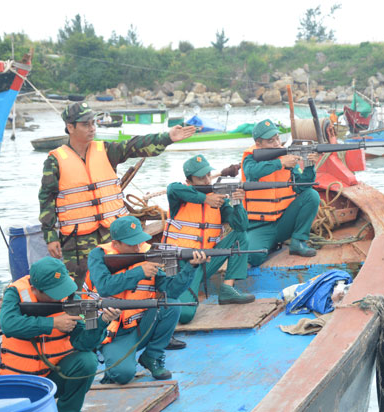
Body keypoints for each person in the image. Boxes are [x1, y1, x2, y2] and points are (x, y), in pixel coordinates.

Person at [39, 102, 196, 289]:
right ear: (70, 127)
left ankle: (124, 316)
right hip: (76, 240)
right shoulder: (55, 161)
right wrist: (50, 236)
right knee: (80, 287)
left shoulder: (105, 150)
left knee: (122, 277)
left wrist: (167, 137)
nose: (92, 128)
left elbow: (133, 146)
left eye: (93, 123)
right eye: (86, 124)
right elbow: (46, 199)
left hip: (113, 234)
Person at [85, 215, 209, 383]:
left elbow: (170, 291)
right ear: (115, 244)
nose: (137, 248)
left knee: (171, 304)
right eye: (131, 244)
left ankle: (152, 356)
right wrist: (140, 272)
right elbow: (105, 287)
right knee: (122, 375)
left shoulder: (148, 252)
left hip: (141, 324)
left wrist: (191, 266)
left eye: (139, 241)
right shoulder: (98, 255)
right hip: (112, 331)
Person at [0, 256, 121, 412]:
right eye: (53, 293)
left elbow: (83, 343)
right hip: (17, 381)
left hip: (52, 375)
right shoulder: (15, 293)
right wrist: (53, 323)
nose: (59, 297)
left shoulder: (71, 298)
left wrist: (102, 321)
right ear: (35, 289)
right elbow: (8, 325)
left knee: (87, 361)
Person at [163, 154, 255, 324]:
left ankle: (227, 288)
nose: (206, 181)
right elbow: (172, 188)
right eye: (200, 178)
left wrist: (236, 202)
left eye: (207, 175)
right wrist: (206, 199)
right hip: (180, 264)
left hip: (205, 261)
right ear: (189, 182)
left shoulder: (218, 199)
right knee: (184, 315)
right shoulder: (180, 195)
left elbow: (240, 226)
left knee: (240, 237)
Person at [241, 119, 320, 266]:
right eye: (271, 141)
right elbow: (251, 172)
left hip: (284, 221)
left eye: (277, 138)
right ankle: (269, 244)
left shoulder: (286, 157)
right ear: (259, 144)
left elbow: (302, 187)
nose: (277, 143)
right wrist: (280, 163)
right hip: (259, 225)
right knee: (253, 258)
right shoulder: (251, 157)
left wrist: (309, 165)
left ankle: (298, 241)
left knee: (311, 195)